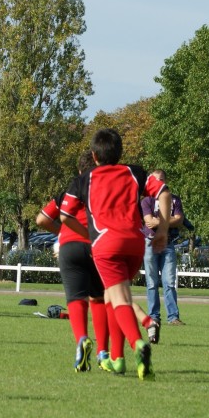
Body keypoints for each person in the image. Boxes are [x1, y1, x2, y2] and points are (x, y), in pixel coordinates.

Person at [60, 128, 168, 380]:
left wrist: (89, 235)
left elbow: (64, 216)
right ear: (120, 153)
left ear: (94, 156)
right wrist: (162, 230)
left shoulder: (84, 179)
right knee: (112, 294)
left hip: (107, 244)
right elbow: (163, 192)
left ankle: (137, 344)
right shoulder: (134, 172)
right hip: (135, 243)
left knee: (118, 297)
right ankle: (117, 358)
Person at [36, 151, 110, 372]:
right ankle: (103, 352)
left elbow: (41, 219)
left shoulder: (69, 190)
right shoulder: (106, 189)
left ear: (79, 171)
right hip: (98, 245)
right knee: (99, 298)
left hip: (70, 247)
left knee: (76, 299)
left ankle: (81, 341)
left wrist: (63, 232)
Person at [142, 169, 185, 328]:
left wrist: (158, 221)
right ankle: (154, 316)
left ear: (165, 181)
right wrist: (168, 220)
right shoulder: (146, 200)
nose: (158, 183)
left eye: (161, 180)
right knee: (151, 282)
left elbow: (180, 220)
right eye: (155, 180)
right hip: (149, 243)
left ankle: (173, 317)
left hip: (169, 244)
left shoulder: (175, 199)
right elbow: (148, 221)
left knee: (169, 282)